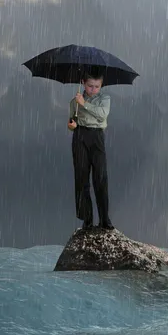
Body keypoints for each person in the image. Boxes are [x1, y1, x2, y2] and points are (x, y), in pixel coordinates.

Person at [67, 73, 115, 231]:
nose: (93, 89)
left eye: (97, 86)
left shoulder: (104, 99)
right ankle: (87, 219)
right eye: (89, 86)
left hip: (97, 137)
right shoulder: (75, 101)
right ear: (83, 83)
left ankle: (104, 218)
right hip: (80, 136)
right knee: (81, 178)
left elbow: (102, 115)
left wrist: (85, 104)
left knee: (100, 177)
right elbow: (71, 121)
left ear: (101, 85)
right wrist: (71, 125)